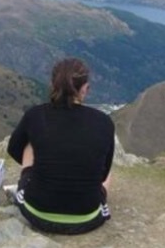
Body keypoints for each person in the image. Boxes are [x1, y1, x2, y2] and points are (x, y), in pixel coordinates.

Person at [7, 57, 115, 234]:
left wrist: (38, 168)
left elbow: (14, 148)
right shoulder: (103, 121)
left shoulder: (35, 115)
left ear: (53, 85)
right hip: (86, 218)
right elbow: (103, 173)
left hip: (37, 213)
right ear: (85, 89)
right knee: (106, 167)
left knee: (31, 144)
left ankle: (35, 181)